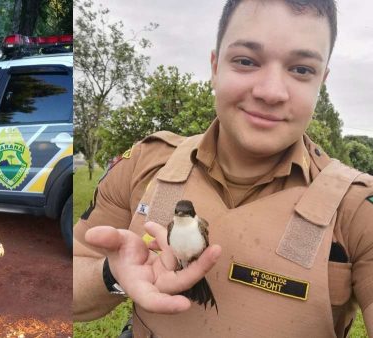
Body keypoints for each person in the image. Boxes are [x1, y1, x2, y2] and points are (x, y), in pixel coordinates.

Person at [73, 0, 373, 336]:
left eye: (301, 69)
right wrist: (112, 276)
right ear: (215, 66)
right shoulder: (146, 163)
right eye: (246, 61)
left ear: (322, 81)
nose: (270, 92)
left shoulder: (358, 209)